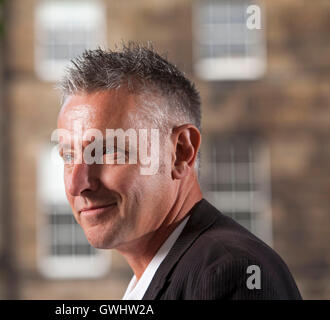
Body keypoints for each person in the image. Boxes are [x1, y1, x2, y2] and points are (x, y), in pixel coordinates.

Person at [55, 43, 302, 300]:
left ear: (181, 152)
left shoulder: (231, 276)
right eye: (69, 156)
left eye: (107, 151)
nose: (76, 184)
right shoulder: (161, 277)